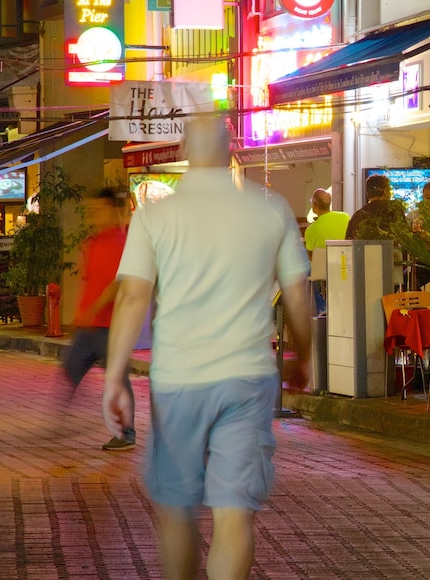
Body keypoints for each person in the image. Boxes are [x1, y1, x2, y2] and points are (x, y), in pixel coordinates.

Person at [102, 116, 312, 579]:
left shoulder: (155, 215)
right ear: (231, 150)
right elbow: (298, 295)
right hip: (247, 378)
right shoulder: (271, 209)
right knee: (234, 512)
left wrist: (115, 377)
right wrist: (305, 359)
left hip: (178, 379)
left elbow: (134, 295)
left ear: (185, 154)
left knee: (177, 506)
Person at [62, 186, 135, 451]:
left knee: (117, 379)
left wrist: (94, 309)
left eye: (99, 209)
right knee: (71, 366)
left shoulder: (120, 242)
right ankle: (63, 422)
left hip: (112, 325)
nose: (94, 214)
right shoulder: (92, 242)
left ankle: (126, 434)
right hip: (89, 326)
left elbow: (117, 282)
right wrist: (82, 313)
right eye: (92, 209)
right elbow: (90, 281)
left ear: (112, 210)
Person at [345, 174, 406, 241]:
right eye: (389, 190)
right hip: (389, 251)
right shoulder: (394, 210)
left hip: (362, 251)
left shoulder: (356, 216)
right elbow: (406, 239)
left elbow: (348, 245)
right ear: (385, 191)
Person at [303, 187, 349, 261]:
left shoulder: (311, 230)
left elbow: (310, 256)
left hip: (322, 269)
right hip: (344, 265)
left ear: (314, 205)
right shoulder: (345, 217)